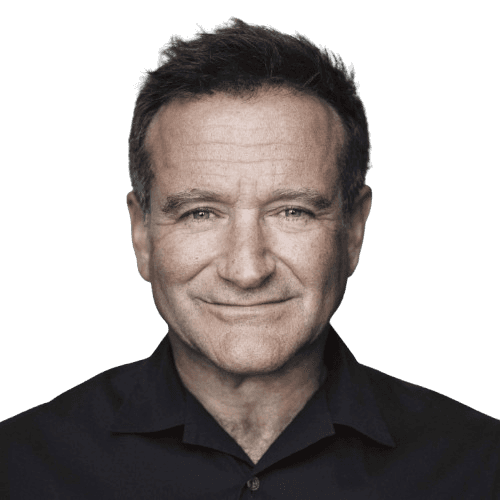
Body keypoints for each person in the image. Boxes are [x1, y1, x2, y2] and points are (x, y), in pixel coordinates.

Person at [1, 19, 499, 499]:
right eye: (200, 213)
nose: (247, 270)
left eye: (293, 211)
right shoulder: (19, 468)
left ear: (353, 230)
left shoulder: (479, 466)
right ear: (142, 234)